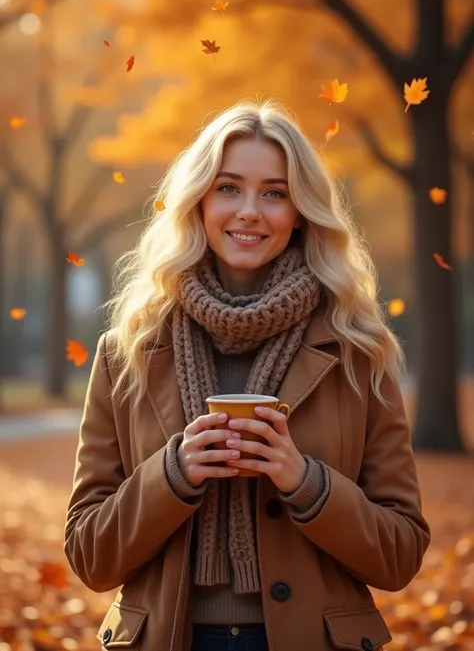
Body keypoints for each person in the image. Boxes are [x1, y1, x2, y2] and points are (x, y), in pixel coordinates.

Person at [64, 100, 430, 651]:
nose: (250, 211)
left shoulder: (360, 352)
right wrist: (173, 473)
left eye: (275, 193)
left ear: (302, 211)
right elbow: (89, 556)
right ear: (199, 202)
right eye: (229, 187)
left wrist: (306, 481)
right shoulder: (127, 352)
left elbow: (401, 553)